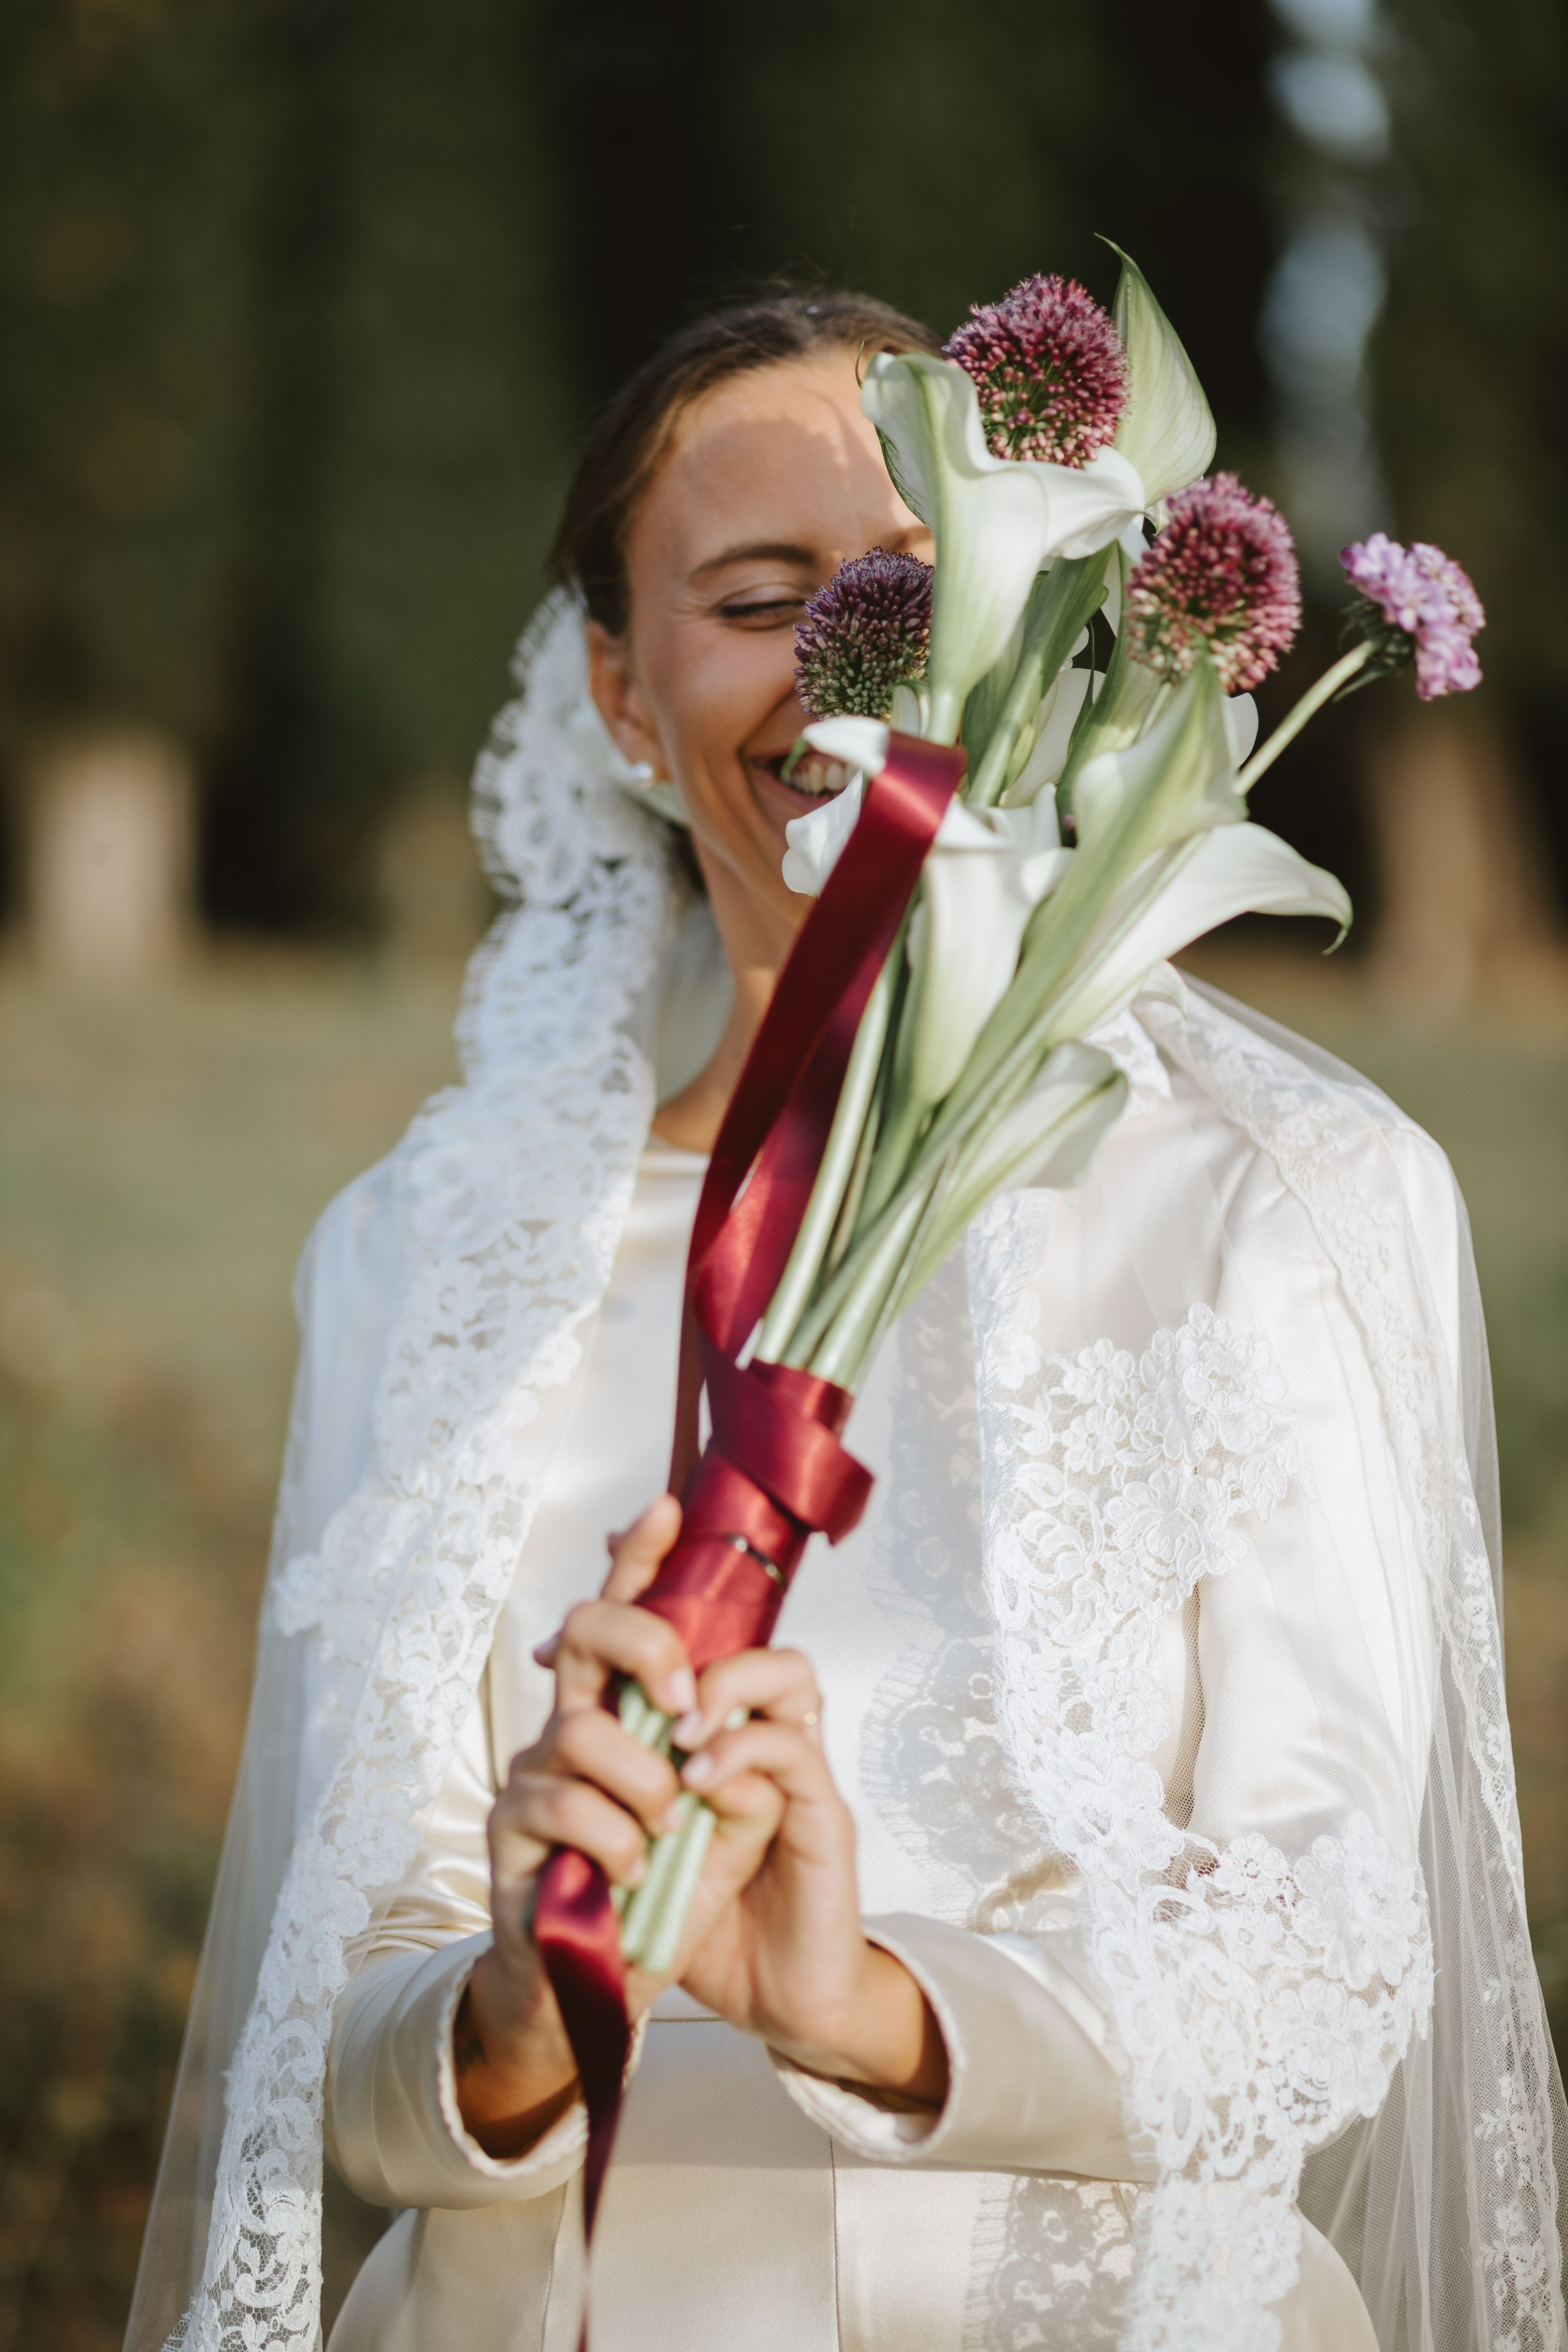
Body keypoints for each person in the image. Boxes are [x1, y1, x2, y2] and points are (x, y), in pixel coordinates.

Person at [126, 293, 1567, 2352]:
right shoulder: (420, 1258)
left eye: (911, 582)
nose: (849, 655)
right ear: (623, 698)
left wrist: (861, 2006)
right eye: (755, 594)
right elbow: (350, 2037)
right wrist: (525, 1996)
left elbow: (1327, 1975)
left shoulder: (1278, 1209)